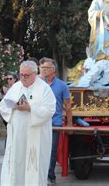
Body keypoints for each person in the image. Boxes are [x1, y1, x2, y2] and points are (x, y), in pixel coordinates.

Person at [0, 60, 56, 186]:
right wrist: (12, 106)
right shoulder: (16, 87)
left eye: (26, 75)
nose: (23, 78)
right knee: (16, 167)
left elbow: (50, 109)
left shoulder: (44, 89)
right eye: (21, 75)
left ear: (35, 74)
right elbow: (3, 106)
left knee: (33, 170)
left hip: (36, 137)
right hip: (17, 137)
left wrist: (30, 109)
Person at [39, 57, 72, 185]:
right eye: (42, 68)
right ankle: (38, 176)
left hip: (55, 123)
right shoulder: (37, 84)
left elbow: (67, 106)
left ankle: (50, 176)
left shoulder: (62, 85)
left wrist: (69, 124)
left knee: (51, 151)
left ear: (53, 70)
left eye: (46, 68)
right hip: (39, 122)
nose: (43, 70)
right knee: (38, 150)